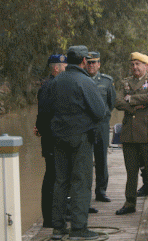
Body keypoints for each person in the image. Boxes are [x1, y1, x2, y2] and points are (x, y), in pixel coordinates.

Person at [46, 45, 106, 240]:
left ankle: (58, 228)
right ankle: (79, 229)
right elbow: (99, 111)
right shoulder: (86, 82)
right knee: (80, 182)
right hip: (80, 138)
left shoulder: (55, 81)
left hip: (58, 137)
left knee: (60, 181)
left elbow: (47, 110)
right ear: (83, 61)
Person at [114, 52, 148, 216]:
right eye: (132, 64)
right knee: (131, 171)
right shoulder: (125, 82)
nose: (135, 67)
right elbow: (117, 101)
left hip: (146, 132)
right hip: (129, 133)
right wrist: (134, 107)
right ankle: (129, 202)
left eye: (138, 64)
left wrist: (131, 99)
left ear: (145, 66)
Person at [34, 54, 67, 228]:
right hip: (52, 139)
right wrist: (42, 130)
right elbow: (44, 115)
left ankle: (58, 213)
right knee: (52, 177)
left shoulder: (55, 84)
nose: (66, 68)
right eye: (64, 65)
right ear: (56, 68)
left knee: (57, 176)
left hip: (53, 137)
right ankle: (49, 218)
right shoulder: (49, 86)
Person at [85, 51, 116, 203]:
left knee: (101, 159)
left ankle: (101, 191)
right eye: (89, 62)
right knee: (85, 160)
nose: (91, 65)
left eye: (94, 62)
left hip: (102, 126)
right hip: (84, 126)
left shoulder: (107, 81)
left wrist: (102, 117)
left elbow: (111, 103)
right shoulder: (81, 79)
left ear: (99, 64)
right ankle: (85, 193)